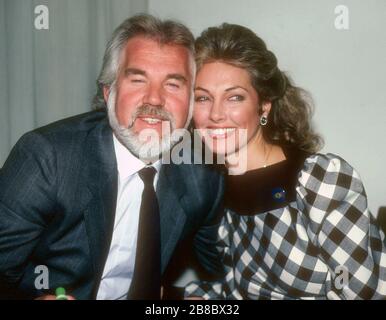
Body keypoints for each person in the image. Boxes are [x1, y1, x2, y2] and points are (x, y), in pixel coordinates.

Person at [0, 14, 224, 300]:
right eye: (138, 80)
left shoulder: (203, 174)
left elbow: (225, 272)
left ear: (192, 103)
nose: (154, 99)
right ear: (109, 93)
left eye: (173, 84)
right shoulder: (48, 158)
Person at [185, 23, 386, 300]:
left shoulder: (320, 180)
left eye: (234, 97)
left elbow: (361, 292)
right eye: (203, 98)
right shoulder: (217, 191)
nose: (216, 114)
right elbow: (240, 290)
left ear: (263, 105)